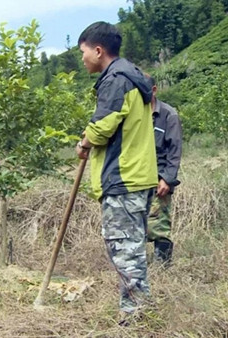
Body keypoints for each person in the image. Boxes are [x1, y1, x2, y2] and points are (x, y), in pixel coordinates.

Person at [76, 22, 158, 320]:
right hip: (136, 176)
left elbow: (102, 126)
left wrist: (84, 142)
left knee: (125, 250)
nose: (82, 58)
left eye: (83, 52)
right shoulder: (131, 77)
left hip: (124, 178)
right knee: (130, 248)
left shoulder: (116, 80)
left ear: (98, 51)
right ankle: (139, 309)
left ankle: (135, 316)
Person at [146, 75, 182, 265]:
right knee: (138, 225)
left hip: (160, 179)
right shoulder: (135, 114)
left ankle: (163, 268)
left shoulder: (168, 115)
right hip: (138, 178)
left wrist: (167, 179)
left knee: (159, 225)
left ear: (153, 90)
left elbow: (174, 151)